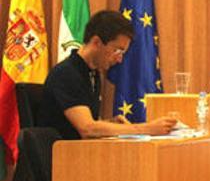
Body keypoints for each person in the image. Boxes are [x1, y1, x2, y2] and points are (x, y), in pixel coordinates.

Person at [39, 10, 177, 140]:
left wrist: (110, 124)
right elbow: (87, 129)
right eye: (117, 50)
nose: (119, 59)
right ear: (97, 42)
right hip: (61, 157)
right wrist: (146, 128)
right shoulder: (65, 74)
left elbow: (85, 124)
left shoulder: (92, 73)